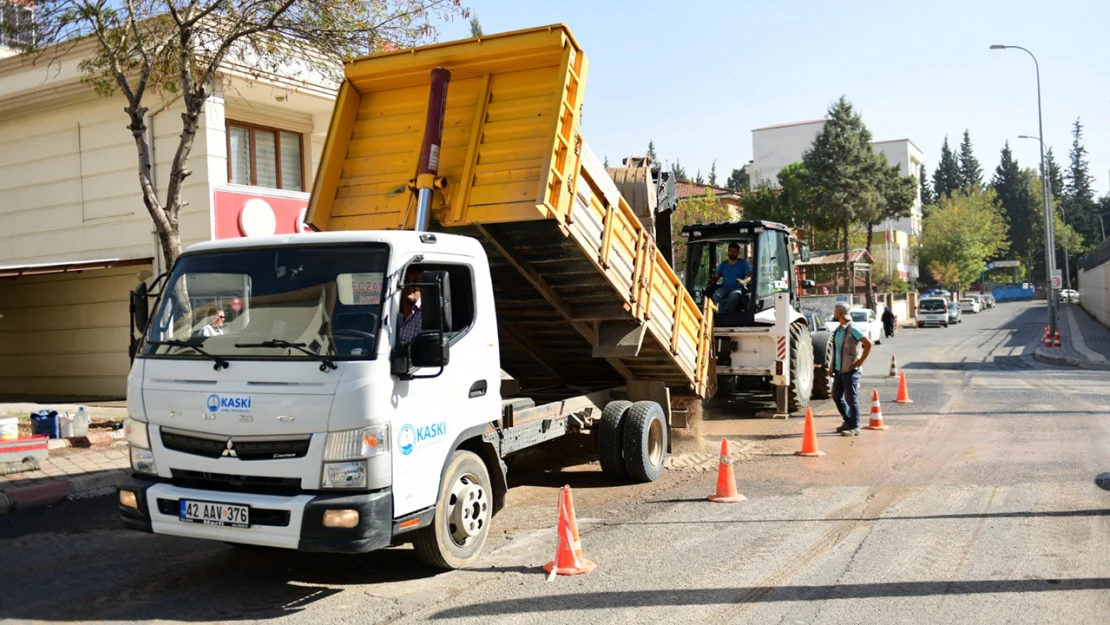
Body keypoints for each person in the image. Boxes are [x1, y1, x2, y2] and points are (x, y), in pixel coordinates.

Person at [830, 301, 873, 436]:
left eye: (835, 310)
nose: (833, 312)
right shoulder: (838, 329)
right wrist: (832, 367)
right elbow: (837, 350)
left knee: (851, 399)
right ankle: (848, 420)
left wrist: (860, 361)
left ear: (840, 313)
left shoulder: (852, 328)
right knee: (837, 396)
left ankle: (855, 427)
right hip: (839, 370)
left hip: (850, 370)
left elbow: (868, 344)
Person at [706, 242, 752, 313]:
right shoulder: (723, 265)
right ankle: (723, 314)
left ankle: (730, 315)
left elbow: (750, 276)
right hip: (725, 288)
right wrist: (711, 281)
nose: (732, 253)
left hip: (737, 288)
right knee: (716, 295)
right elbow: (716, 277)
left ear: (738, 253)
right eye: (730, 251)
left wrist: (743, 282)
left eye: (734, 251)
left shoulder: (743, 263)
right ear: (728, 252)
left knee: (733, 297)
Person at [398, 266, 423, 343]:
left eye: (416, 281)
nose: (410, 285)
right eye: (406, 280)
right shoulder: (388, 310)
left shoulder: (426, 315)